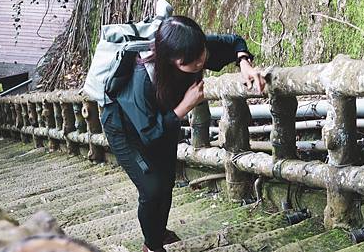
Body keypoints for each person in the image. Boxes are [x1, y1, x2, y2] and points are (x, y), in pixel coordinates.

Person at [100, 15, 265, 252]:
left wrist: (244, 63)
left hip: (165, 119)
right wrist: (184, 107)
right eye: (194, 61)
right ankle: (151, 246)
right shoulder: (142, 79)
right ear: (172, 60)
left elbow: (233, 42)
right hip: (126, 130)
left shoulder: (193, 49)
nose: (201, 62)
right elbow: (149, 133)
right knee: (152, 188)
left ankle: (158, 232)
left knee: (167, 179)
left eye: (202, 55)